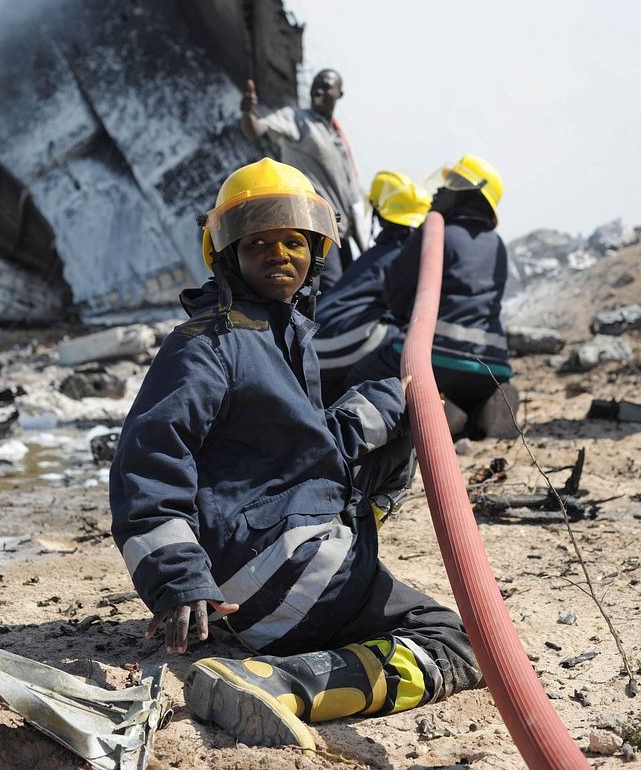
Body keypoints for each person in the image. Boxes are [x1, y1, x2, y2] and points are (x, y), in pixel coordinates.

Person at [109, 157, 481, 751]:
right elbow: (148, 458)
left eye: (293, 242)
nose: (279, 255)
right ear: (228, 255)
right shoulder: (208, 344)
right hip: (275, 570)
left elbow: (303, 447)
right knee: (456, 641)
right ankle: (280, 683)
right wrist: (178, 580)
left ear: (315, 250)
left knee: (391, 422)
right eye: (259, 243)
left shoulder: (277, 332)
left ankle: (337, 557)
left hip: (263, 553)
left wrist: (396, 399)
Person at [348, 155, 518, 439]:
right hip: (493, 365)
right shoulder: (498, 244)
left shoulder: (436, 233)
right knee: (470, 396)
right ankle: (477, 412)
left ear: (468, 193)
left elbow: (396, 291)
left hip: (436, 357)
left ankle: (435, 412)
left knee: (360, 376)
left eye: (449, 184)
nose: (438, 190)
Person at [239, 69, 367, 290]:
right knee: (331, 286)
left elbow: (350, 193)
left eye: (326, 86)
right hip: (316, 221)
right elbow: (257, 129)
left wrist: (362, 244)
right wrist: (248, 114)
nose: (318, 90)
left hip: (340, 228)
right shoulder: (296, 119)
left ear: (339, 94)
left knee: (352, 285)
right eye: (315, 84)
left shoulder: (337, 137)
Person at [314, 171, 431, 405]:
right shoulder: (404, 259)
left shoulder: (377, 255)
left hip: (319, 347)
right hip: (340, 341)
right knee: (413, 339)